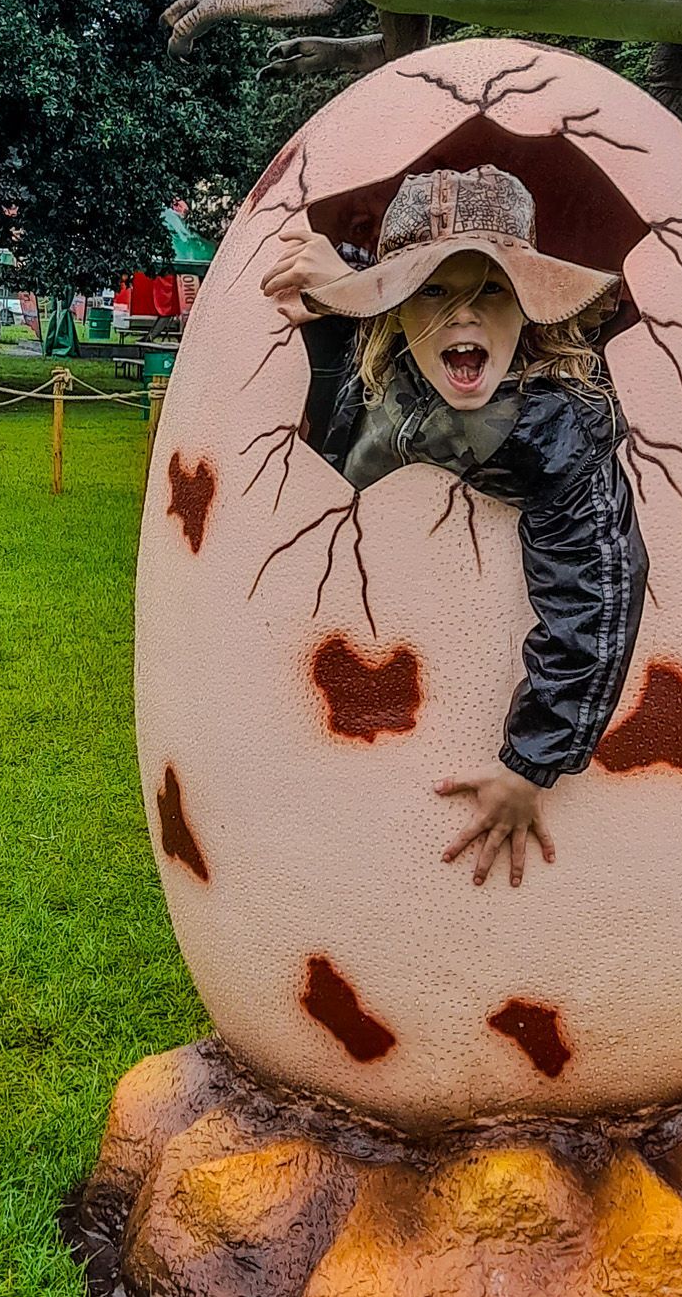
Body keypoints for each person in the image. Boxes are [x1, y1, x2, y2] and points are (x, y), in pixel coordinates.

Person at [262, 164, 648, 890]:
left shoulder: (556, 428)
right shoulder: (388, 367)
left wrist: (531, 762)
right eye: (434, 291)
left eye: (492, 290)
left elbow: (597, 590)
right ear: (397, 310)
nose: (463, 317)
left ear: (530, 307)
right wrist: (344, 285)